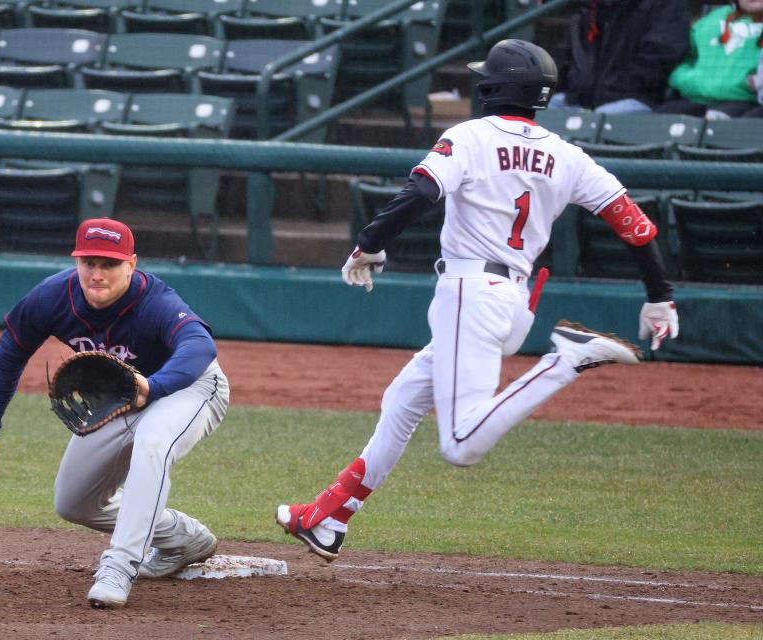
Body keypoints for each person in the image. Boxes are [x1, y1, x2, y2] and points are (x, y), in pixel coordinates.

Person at [275, 39, 680, 561]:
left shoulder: (469, 135)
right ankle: (330, 517)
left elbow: (421, 193)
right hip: (511, 298)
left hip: (471, 291)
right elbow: (636, 226)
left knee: (460, 446)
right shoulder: (568, 154)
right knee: (402, 400)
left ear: (492, 86)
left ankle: (566, 360)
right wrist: (660, 296)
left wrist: (370, 243)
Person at [0, 218, 230, 608]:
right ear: (75, 261)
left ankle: (119, 565)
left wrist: (154, 387)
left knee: (153, 441)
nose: (97, 274)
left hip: (191, 387)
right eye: (89, 262)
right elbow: (10, 351)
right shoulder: (53, 296)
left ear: (131, 264)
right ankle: (180, 537)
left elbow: (199, 346)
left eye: (109, 264)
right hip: (125, 395)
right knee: (74, 502)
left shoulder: (155, 302)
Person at [548, 0, 690, 113]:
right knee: (539, 111)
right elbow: (563, 58)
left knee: (602, 118)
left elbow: (659, 58)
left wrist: (611, 88)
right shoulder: (589, 8)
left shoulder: (664, 5)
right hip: (578, 100)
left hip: (634, 99)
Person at [657, 0, 763, 119]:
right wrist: (692, 81)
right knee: (657, 122)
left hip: (747, 102)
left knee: (735, 127)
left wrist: (748, 83)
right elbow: (678, 62)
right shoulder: (708, 22)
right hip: (696, 98)